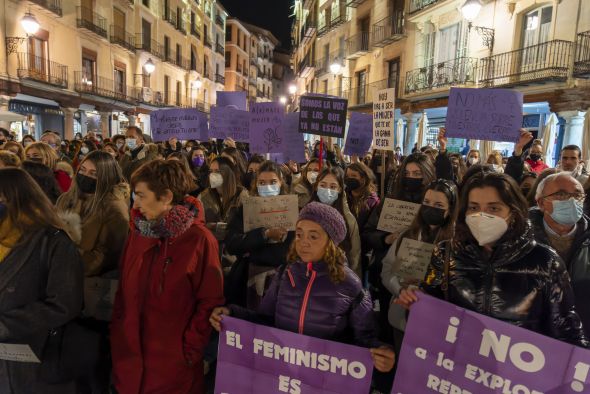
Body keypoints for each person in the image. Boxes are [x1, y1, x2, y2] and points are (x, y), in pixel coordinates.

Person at [396, 172, 588, 347]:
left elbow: (566, 330)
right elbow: (429, 311)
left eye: (494, 208)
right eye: (473, 207)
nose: (482, 215)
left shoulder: (545, 262)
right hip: (456, 369)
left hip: (515, 378)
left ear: (512, 212)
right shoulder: (446, 253)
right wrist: (414, 301)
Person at [210, 202, 395, 374]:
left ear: (331, 242)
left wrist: (381, 352)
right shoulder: (285, 274)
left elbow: (365, 338)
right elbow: (265, 320)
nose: (303, 242)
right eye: (299, 234)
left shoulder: (350, 285)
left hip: (323, 379)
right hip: (285, 373)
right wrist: (231, 314)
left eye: (313, 236)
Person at [110, 160, 224, 394]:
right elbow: (123, 290)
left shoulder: (199, 240)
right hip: (129, 363)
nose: (135, 204)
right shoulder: (138, 233)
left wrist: (188, 352)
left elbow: (210, 301)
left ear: (167, 197)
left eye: (141, 196)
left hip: (173, 369)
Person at [0, 168, 84, 394]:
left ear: (16, 198)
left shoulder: (53, 241)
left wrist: (7, 324)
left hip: (32, 354)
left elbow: (65, 303)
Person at [381, 180, 458, 354]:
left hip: (438, 328)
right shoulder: (407, 234)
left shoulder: (457, 243)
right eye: (427, 203)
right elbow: (386, 270)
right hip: (402, 322)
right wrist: (401, 290)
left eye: (438, 205)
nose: (431, 208)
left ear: (450, 209)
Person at [225, 161, 296, 308]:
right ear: (256, 184)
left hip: (283, 280)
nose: (267, 187)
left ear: (281, 183)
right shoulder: (245, 209)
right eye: (262, 182)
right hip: (248, 278)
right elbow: (232, 243)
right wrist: (264, 234)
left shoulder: (292, 210)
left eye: (273, 182)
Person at [529, 173, 590, 334]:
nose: (571, 200)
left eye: (577, 195)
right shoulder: (520, 239)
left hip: (581, 336)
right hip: (531, 335)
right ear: (541, 203)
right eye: (561, 194)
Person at [56, 151, 130, 277]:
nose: (85, 176)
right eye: (82, 170)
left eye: (94, 174)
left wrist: (66, 267)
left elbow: (108, 254)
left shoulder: (114, 208)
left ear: (106, 177)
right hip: (59, 271)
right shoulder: (66, 198)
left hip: (88, 280)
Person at [310, 167, 361, 275]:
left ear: (340, 190)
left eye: (333, 187)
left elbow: (354, 256)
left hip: (339, 277)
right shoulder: (306, 216)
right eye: (323, 185)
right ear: (316, 187)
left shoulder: (348, 220)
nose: (327, 190)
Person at [198, 156, 249, 241]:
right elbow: (197, 224)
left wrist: (216, 226)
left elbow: (247, 226)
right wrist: (207, 226)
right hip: (212, 246)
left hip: (234, 248)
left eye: (217, 171)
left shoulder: (242, 195)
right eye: (211, 171)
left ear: (228, 173)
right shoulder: (203, 196)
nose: (212, 175)